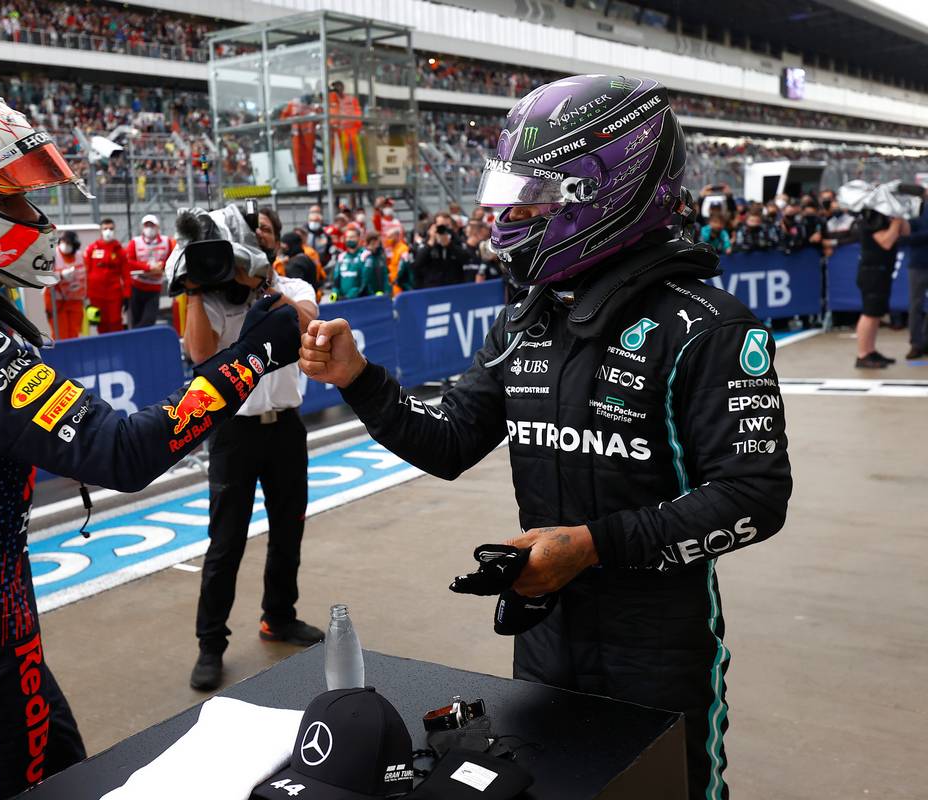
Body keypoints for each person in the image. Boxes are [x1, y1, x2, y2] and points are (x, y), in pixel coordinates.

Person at [300, 74, 792, 800]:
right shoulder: (522, 320)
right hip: (544, 636)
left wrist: (592, 545)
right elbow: (449, 443)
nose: (511, 213)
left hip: (657, 646)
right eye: (512, 192)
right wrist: (360, 379)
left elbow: (756, 496)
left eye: (534, 194)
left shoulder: (708, 327)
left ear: (605, 191)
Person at [0, 88, 299, 800]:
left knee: (65, 766)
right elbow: (124, 452)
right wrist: (254, 355)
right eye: (14, 198)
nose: (38, 217)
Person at [180, 207, 321, 692]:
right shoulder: (217, 296)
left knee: (288, 531)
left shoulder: (295, 288)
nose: (255, 236)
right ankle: (210, 644)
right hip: (234, 434)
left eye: (264, 231)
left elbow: (308, 326)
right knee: (225, 542)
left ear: (276, 244)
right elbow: (199, 354)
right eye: (248, 231)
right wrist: (195, 286)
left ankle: (278, 617)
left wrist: (264, 285)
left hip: (285, 427)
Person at [854, 209, 909, 368]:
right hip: (872, 272)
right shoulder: (870, 217)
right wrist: (896, 223)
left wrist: (900, 218)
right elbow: (886, 242)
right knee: (869, 313)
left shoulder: (885, 217)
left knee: (876, 313)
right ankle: (863, 354)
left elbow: (906, 232)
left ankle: (871, 351)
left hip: (883, 271)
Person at [124, 213, 172, 329]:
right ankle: (136, 342)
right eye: (147, 225)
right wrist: (148, 267)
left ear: (158, 227)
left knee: (149, 320)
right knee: (136, 320)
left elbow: (172, 259)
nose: (149, 228)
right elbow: (128, 262)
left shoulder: (166, 241)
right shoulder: (135, 242)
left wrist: (162, 266)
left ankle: (144, 339)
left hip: (154, 288)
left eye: (152, 225)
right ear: (142, 227)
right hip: (137, 287)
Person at [84, 217, 129, 333]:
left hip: (114, 294)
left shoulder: (120, 251)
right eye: (105, 228)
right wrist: (86, 293)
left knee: (115, 322)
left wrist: (127, 295)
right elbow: (86, 272)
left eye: (111, 228)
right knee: (100, 323)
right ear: (100, 230)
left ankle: (118, 347)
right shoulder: (91, 249)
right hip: (96, 295)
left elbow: (126, 275)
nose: (108, 231)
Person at [49, 230, 86, 340]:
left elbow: (85, 277)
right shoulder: (52, 255)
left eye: (69, 243)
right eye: (64, 241)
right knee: (60, 334)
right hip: (57, 302)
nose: (66, 245)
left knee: (74, 334)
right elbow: (45, 277)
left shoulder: (79, 256)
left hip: (75, 300)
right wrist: (61, 275)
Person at [903, 200, 928, 360]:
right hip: (918, 263)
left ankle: (924, 342)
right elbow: (905, 231)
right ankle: (916, 344)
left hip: (918, 260)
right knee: (916, 305)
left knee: (916, 305)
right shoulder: (915, 205)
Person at [331, 224, 383, 299]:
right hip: (342, 300)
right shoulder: (341, 257)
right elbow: (336, 281)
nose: (349, 239)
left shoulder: (365, 255)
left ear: (359, 238)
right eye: (347, 237)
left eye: (352, 237)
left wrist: (352, 295)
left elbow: (365, 281)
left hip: (360, 300)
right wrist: (334, 295)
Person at [412, 222, 467, 287]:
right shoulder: (426, 244)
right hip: (432, 286)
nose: (440, 231)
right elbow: (417, 263)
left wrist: (449, 245)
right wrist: (430, 243)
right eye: (437, 228)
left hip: (453, 285)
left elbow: (466, 259)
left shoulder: (456, 241)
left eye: (445, 227)